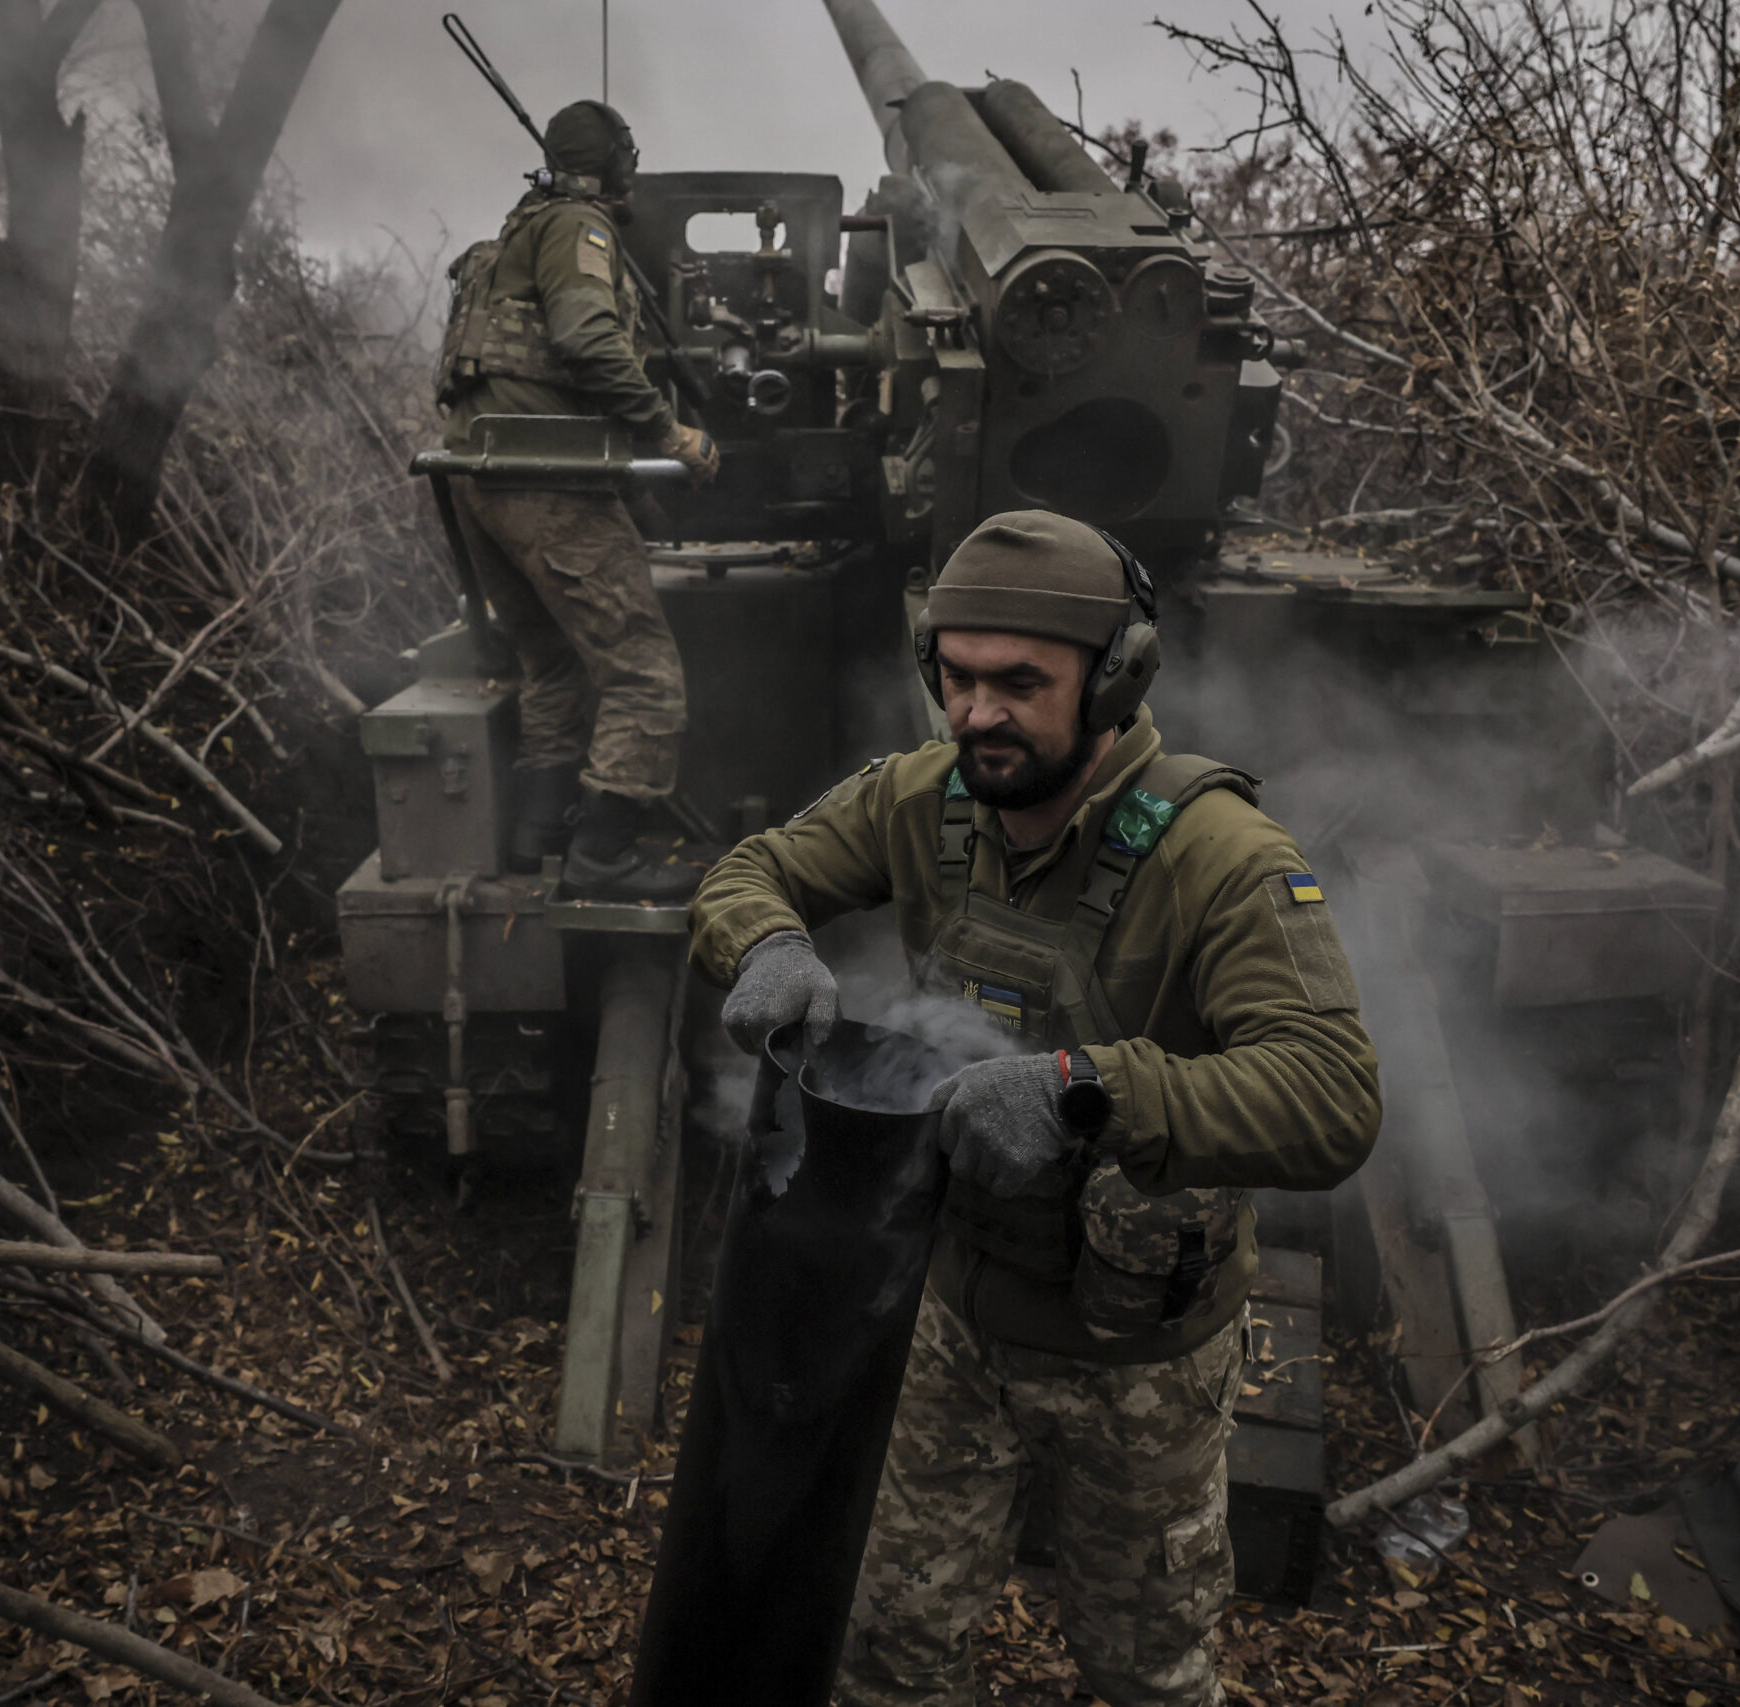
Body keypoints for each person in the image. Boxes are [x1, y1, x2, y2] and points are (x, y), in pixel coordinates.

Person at [688, 510, 1383, 1707]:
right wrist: (766, 947)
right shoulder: (924, 800)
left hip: (1141, 1360)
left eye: (1018, 683)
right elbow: (750, 871)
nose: (976, 716)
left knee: (1144, 1679)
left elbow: (1331, 1096)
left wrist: (1087, 1088)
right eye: (953, 679)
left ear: (1114, 679)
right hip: (952, 1316)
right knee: (887, 1655)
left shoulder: (1221, 856)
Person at [436, 99, 716, 902]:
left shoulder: (506, 242)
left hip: (476, 480)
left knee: (551, 665)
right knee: (644, 675)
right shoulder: (579, 231)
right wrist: (671, 434)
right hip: (544, 480)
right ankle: (603, 855)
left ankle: (536, 835)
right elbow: (588, 340)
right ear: (615, 165)